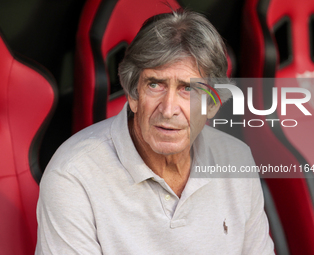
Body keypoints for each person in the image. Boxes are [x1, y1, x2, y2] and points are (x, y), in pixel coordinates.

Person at [35, 9, 274, 255]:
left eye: (187, 89)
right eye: (155, 84)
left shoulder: (237, 159)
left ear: (212, 104)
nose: (169, 109)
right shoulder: (73, 176)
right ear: (133, 95)